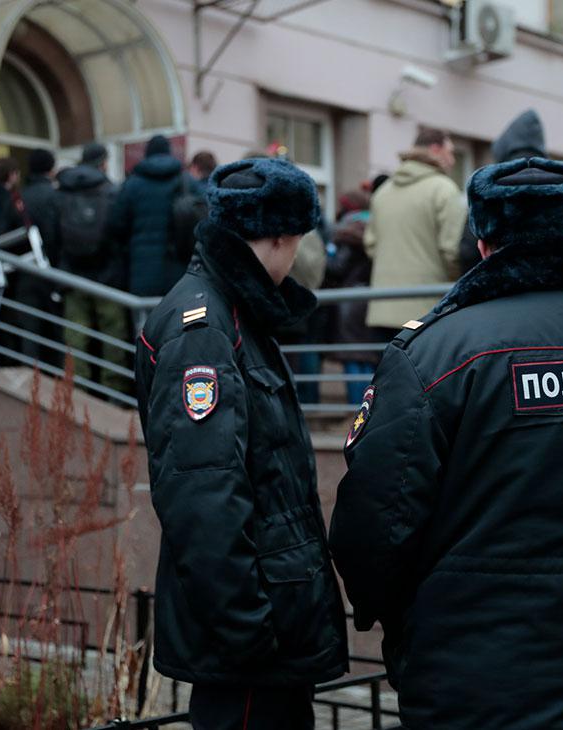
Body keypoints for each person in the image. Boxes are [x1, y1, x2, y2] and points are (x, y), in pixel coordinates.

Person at [330, 157, 563, 730]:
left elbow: (373, 525)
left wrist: (405, 615)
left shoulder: (433, 355)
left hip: (465, 681)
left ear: (484, 244)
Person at [134, 157, 349, 730]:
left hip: (268, 632)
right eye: (299, 242)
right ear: (278, 237)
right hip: (253, 647)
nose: (298, 257)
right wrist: (248, 631)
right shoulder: (205, 329)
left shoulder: (236, 313)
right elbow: (202, 495)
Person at [364, 127, 466, 334]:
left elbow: (371, 246)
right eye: (450, 152)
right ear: (436, 149)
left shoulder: (383, 192)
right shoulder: (443, 189)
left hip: (382, 309)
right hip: (425, 312)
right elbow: (452, 251)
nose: (453, 160)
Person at [56, 143, 129, 395]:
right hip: (107, 275)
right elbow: (120, 232)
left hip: (72, 273)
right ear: (103, 163)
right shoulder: (112, 191)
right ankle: (114, 394)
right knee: (113, 337)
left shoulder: (63, 191)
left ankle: (77, 392)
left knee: (75, 336)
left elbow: (54, 234)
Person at [105, 134, 196, 297]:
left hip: (141, 271)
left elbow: (116, 225)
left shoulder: (132, 184)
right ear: (169, 152)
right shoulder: (186, 181)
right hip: (180, 272)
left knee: (144, 312)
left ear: (147, 153)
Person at [458, 108, 546, 271]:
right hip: (554, 283)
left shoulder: (489, 185)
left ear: (505, 147)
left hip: (499, 281)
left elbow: (468, 251)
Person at [9, 148, 63, 368]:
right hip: (53, 273)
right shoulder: (55, 196)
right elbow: (58, 234)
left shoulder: (19, 198)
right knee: (55, 330)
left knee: (29, 330)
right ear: (50, 169)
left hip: (24, 272)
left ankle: (29, 376)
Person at [323, 191, 376, 403]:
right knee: (368, 356)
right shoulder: (374, 228)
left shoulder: (346, 233)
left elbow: (337, 268)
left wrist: (327, 256)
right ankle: (369, 408)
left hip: (350, 299)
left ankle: (356, 408)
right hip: (372, 298)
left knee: (351, 355)